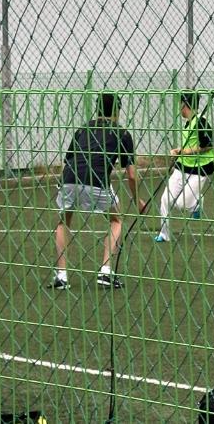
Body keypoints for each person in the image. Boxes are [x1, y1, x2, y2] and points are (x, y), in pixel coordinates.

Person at [50, 93, 141, 290]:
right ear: (117, 111)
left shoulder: (83, 129)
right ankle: (105, 272)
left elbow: (68, 160)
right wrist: (138, 200)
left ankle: (61, 276)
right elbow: (132, 175)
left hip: (69, 179)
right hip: (96, 181)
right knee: (116, 220)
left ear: (97, 109)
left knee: (63, 221)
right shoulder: (122, 133)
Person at [155, 91, 214, 242]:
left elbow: (208, 145)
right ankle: (164, 234)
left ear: (185, 104)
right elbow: (190, 144)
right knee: (165, 199)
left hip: (199, 170)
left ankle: (196, 204)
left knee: (181, 204)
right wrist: (179, 150)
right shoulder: (189, 123)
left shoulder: (202, 122)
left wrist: (185, 151)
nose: (179, 108)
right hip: (182, 167)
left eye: (180, 104)